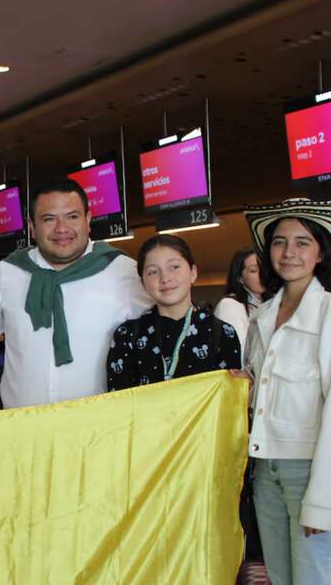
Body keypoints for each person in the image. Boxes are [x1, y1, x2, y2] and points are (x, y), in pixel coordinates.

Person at [0, 179, 152, 407]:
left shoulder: (122, 270)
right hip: (24, 431)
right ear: (32, 226)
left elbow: (168, 325)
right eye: (49, 219)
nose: (61, 229)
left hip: (98, 430)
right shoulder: (10, 272)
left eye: (72, 217)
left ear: (88, 220)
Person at [243, 198, 331, 585]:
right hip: (265, 470)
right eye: (279, 242)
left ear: (320, 253)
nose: (289, 252)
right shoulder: (261, 316)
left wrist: (322, 500)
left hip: (309, 471)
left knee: (313, 576)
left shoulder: (328, 312)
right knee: (280, 577)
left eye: (302, 242)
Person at [106, 234, 241, 391]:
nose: (165, 278)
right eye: (153, 272)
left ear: (193, 272)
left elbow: (229, 400)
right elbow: (118, 403)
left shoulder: (223, 333)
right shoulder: (126, 336)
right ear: (143, 283)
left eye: (174, 267)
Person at [214, 247, 265, 359]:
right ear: (240, 277)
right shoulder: (230, 306)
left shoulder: (268, 303)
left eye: (265, 268)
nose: (262, 275)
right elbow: (241, 354)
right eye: (254, 270)